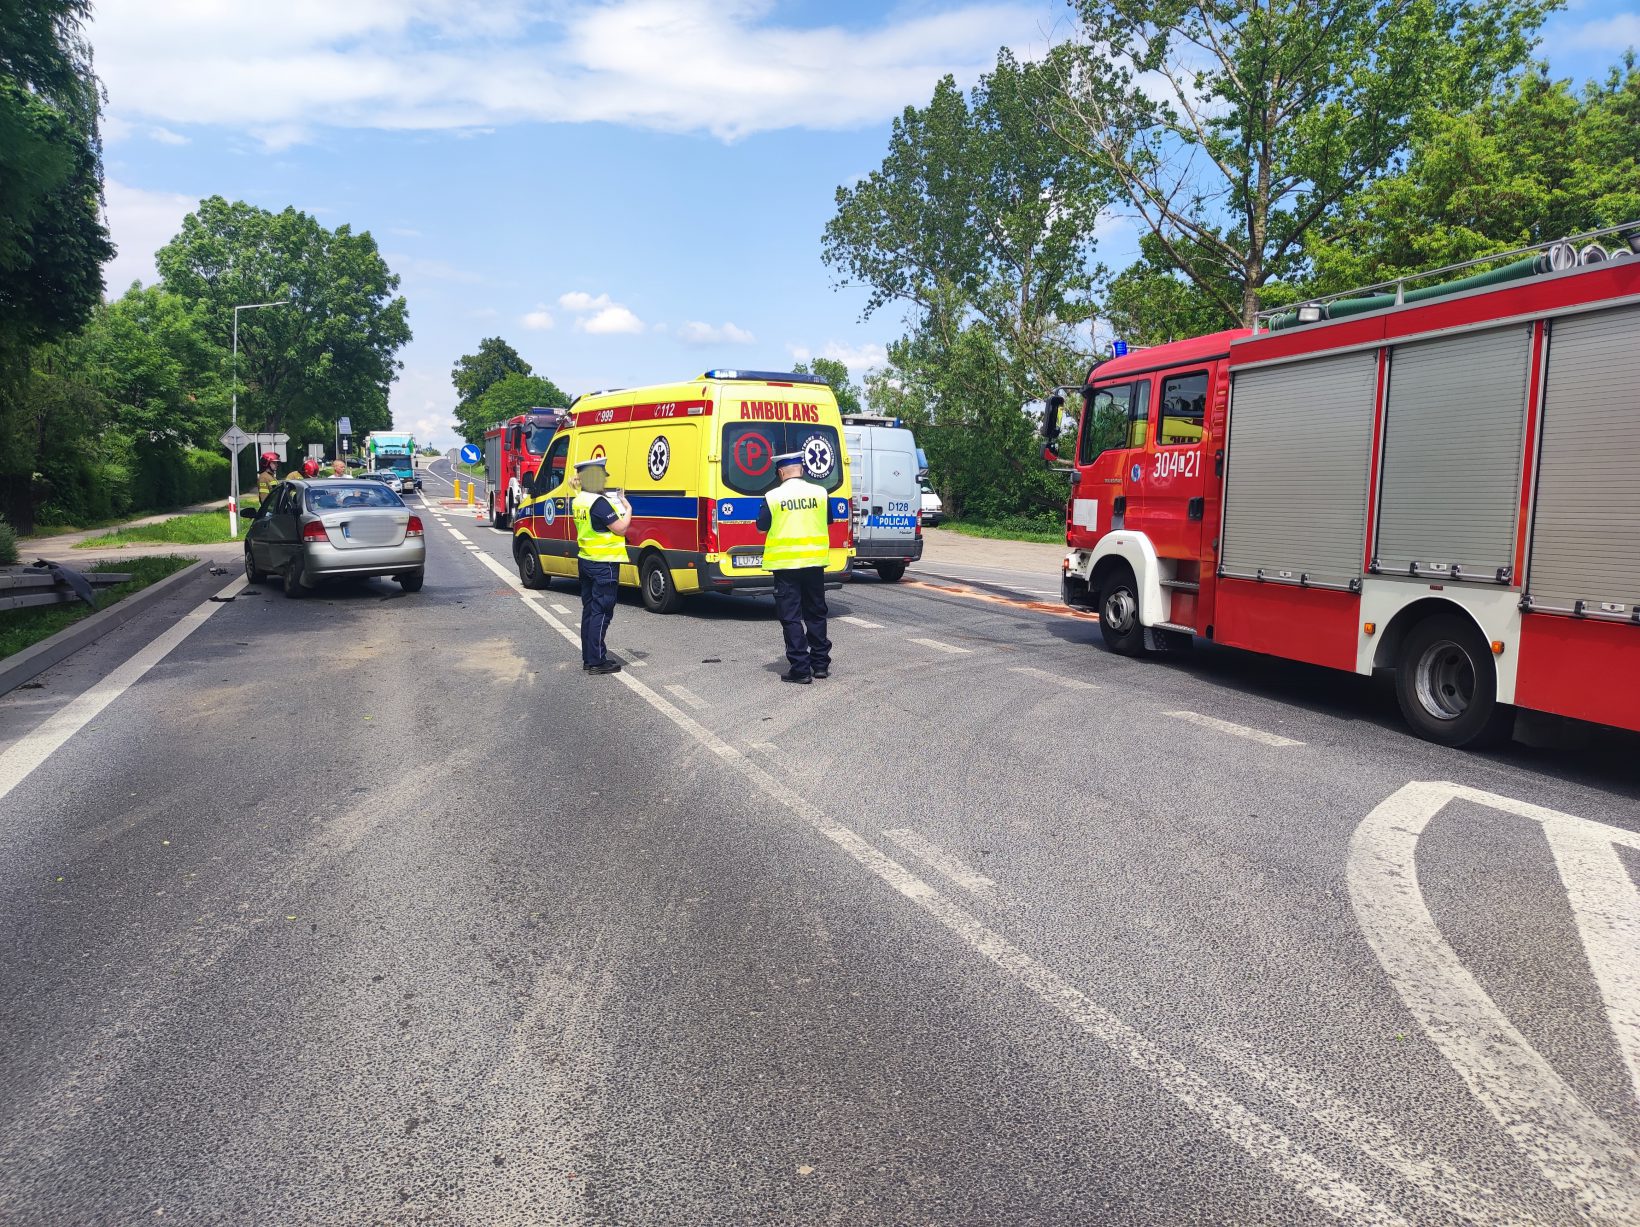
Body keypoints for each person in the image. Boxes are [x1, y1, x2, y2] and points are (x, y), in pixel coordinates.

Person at [757, 451, 832, 683]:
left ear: (781, 472)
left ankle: (800, 669)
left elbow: (761, 526)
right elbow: (828, 520)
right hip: (814, 563)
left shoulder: (772, 497)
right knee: (816, 614)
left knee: (791, 617)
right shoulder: (820, 493)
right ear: (802, 470)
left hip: (786, 565)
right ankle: (820, 665)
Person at [571, 457, 631, 675]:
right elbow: (621, 528)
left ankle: (589, 658)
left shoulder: (579, 500)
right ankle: (597, 662)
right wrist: (627, 506)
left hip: (586, 560)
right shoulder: (599, 503)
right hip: (603, 565)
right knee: (601, 612)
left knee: (589, 611)